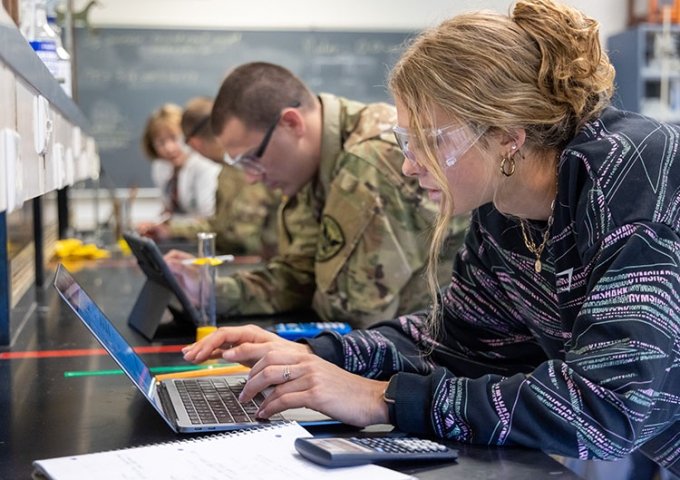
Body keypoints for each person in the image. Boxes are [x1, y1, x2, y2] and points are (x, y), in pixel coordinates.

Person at [181, 1, 680, 478]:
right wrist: (319, 357)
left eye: (430, 140)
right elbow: (453, 339)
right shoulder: (501, 210)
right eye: (405, 140)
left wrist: (381, 398)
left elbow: (607, 407)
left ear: (508, 134)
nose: (408, 163)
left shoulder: (629, 176)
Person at [166, 62, 469, 328]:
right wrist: (207, 289)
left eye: (251, 158)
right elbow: (300, 275)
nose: (250, 177)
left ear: (291, 123)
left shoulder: (367, 164)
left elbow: (351, 314)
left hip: (443, 362)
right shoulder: (314, 165)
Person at [141, 97, 281, 257]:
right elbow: (219, 226)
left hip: (271, 266)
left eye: (177, 139)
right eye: (160, 142)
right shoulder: (229, 171)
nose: (170, 148)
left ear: (194, 144)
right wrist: (172, 230)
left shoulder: (244, 168)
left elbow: (242, 239)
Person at [138, 103, 221, 224]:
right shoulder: (160, 167)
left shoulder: (204, 165)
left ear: (188, 135)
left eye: (174, 138)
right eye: (161, 142)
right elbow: (168, 209)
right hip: (180, 236)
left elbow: (208, 217)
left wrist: (171, 227)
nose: (169, 148)